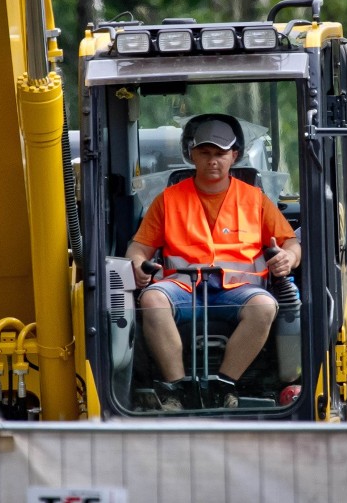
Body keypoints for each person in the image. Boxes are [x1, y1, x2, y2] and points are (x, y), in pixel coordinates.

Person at [125, 113, 301, 410]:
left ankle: (224, 386)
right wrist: (138, 265)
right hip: (183, 288)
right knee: (152, 299)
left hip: (238, 290)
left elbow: (290, 243)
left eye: (220, 154)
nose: (212, 161)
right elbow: (137, 249)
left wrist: (288, 258)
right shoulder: (168, 200)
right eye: (205, 153)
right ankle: (176, 391)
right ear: (192, 154)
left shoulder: (255, 199)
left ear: (234, 156)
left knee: (266, 306)